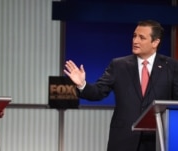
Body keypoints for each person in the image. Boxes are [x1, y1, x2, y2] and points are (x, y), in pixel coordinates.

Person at [64, 20, 178, 151]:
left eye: (142, 37)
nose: (135, 41)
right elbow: (98, 92)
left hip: (158, 141)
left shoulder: (171, 67)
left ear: (155, 42)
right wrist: (82, 84)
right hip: (123, 140)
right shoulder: (118, 65)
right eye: (134, 36)